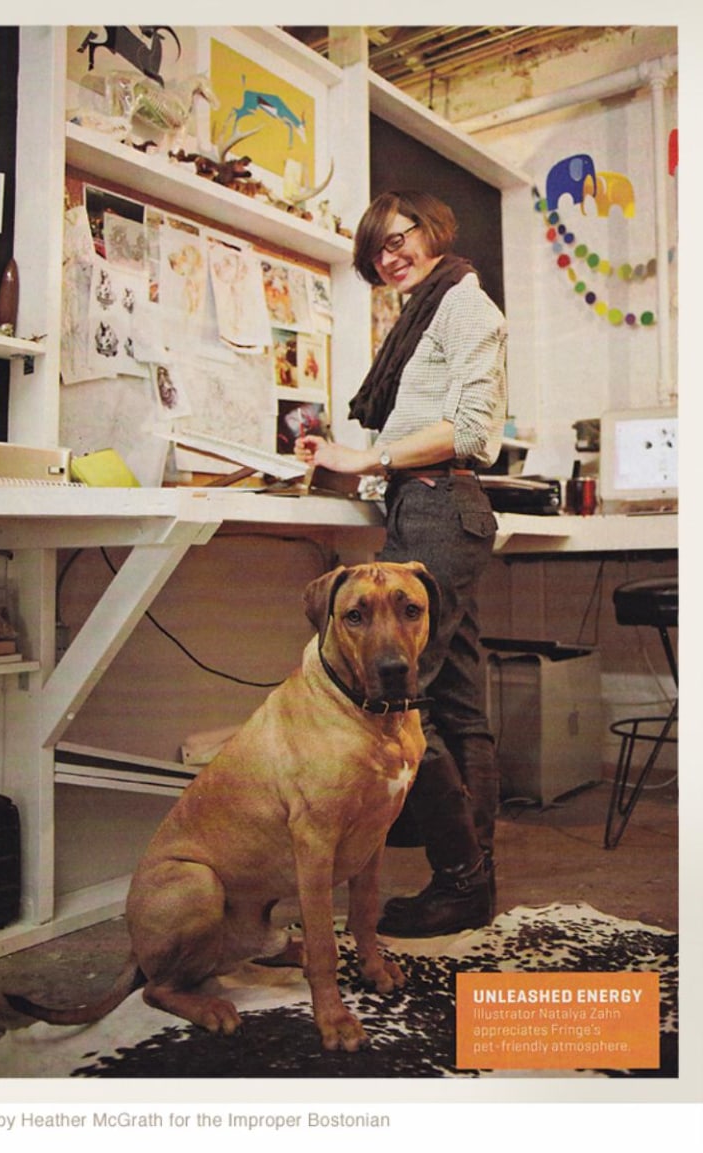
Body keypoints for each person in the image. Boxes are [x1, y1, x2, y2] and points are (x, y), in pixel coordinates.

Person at [295, 190, 507, 937]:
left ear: (433, 230)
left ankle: (461, 880)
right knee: (456, 706)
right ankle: (471, 883)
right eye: (377, 249)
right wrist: (347, 462)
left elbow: (474, 430)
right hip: (423, 508)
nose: (391, 256)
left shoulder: (465, 307)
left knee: (402, 697)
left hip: (438, 510)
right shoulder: (424, 316)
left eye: (401, 237)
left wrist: (371, 455)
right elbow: (421, 428)